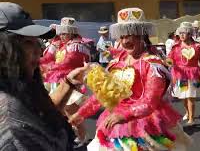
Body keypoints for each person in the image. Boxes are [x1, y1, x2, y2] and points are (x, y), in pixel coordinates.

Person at [69, 8, 191, 151]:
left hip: (146, 126)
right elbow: (102, 96)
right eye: (122, 36)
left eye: (130, 36)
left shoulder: (152, 64)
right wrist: (80, 114)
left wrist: (124, 115)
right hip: (114, 123)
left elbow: (150, 101)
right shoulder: (116, 63)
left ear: (140, 35)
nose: (125, 41)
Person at [0, 2, 87, 150]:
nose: (38, 52)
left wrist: (67, 84)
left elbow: (41, 115)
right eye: (27, 43)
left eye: (37, 43)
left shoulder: (18, 86)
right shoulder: (12, 127)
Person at [40, 17, 91, 141]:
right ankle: (71, 138)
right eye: (61, 33)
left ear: (72, 33)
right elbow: (48, 58)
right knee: (61, 113)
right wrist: (38, 62)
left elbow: (69, 62)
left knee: (72, 113)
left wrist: (52, 67)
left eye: (65, 33)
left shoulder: (76, 46)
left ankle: (82, 139)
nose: (62, 36)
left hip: (73, 83)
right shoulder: (62, 46)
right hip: (60, 82)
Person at [168, 22, 200, 125]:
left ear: (190, 34)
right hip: (181, 75)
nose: (182, 35)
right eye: (180, 33)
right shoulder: (176, 47)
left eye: (185, 33)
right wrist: (167, 62)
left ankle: (191, 119)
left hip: (193, 75)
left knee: (190, 97)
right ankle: (187, 112)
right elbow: (169, 59)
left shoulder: (196, 47)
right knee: (183, 96)